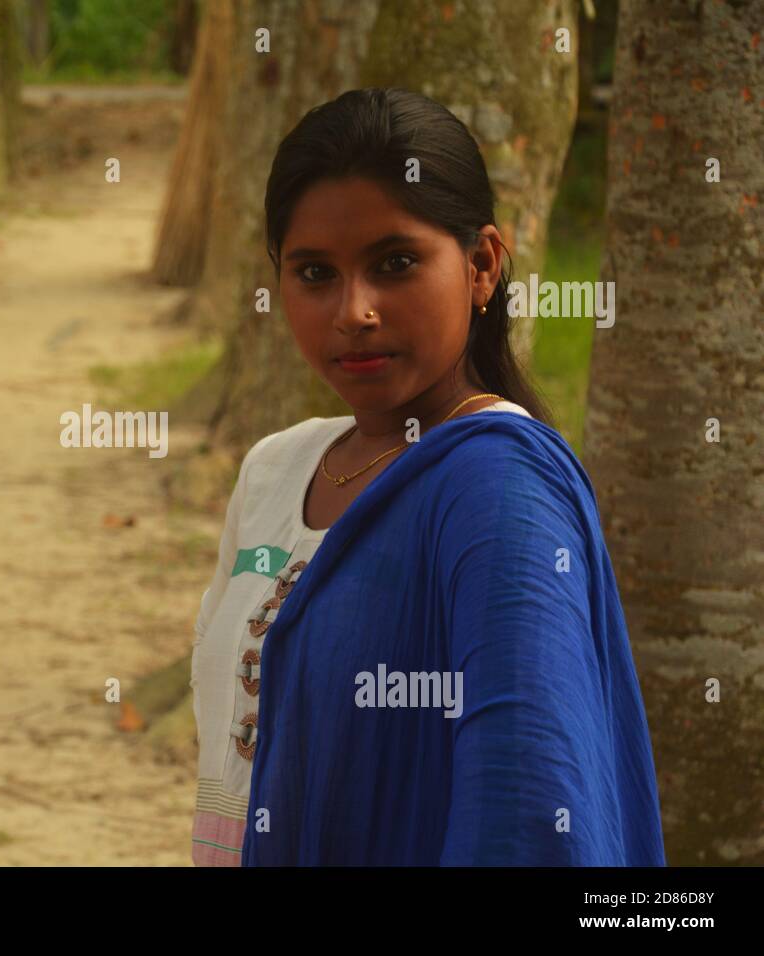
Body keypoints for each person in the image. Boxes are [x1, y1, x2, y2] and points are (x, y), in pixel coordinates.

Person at [189, 88, 665, 866]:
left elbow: (527, 805)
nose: (355, 311)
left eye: (396, 263)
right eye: (315, 272)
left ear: (481, 266)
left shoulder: (499, 491)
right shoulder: (275, 469)